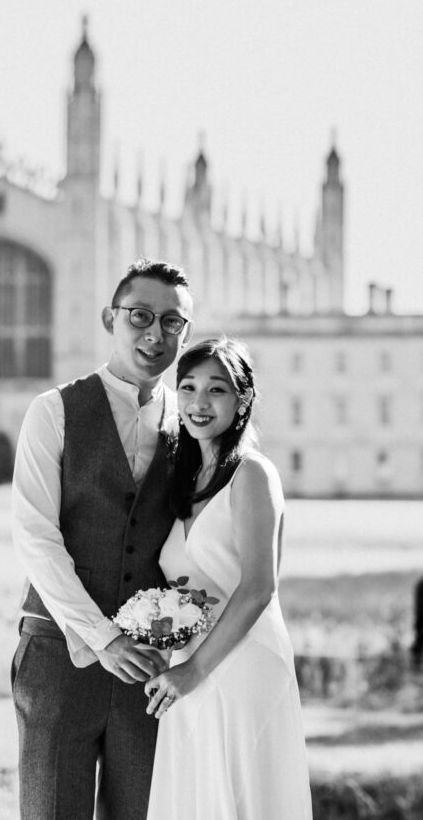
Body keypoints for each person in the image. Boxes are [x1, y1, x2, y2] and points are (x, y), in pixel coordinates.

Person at [11, 258, 195, 820]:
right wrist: (101, 638)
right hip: (58, 658)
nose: (155, 334)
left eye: (172, 322)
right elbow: (36, 536)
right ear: (108, 318)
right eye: (140, 316)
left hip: (148, 668)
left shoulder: (191, 426)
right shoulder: (53, 412)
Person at [142, 336, 313, 819]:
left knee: (240, 798)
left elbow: (259, 587)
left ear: (243, 400)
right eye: (189, 387)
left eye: (216, 390)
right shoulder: (182, 477)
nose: (199, 403)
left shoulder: (252, 474)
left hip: (242, 660)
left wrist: (192, 672)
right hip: (188, 667)